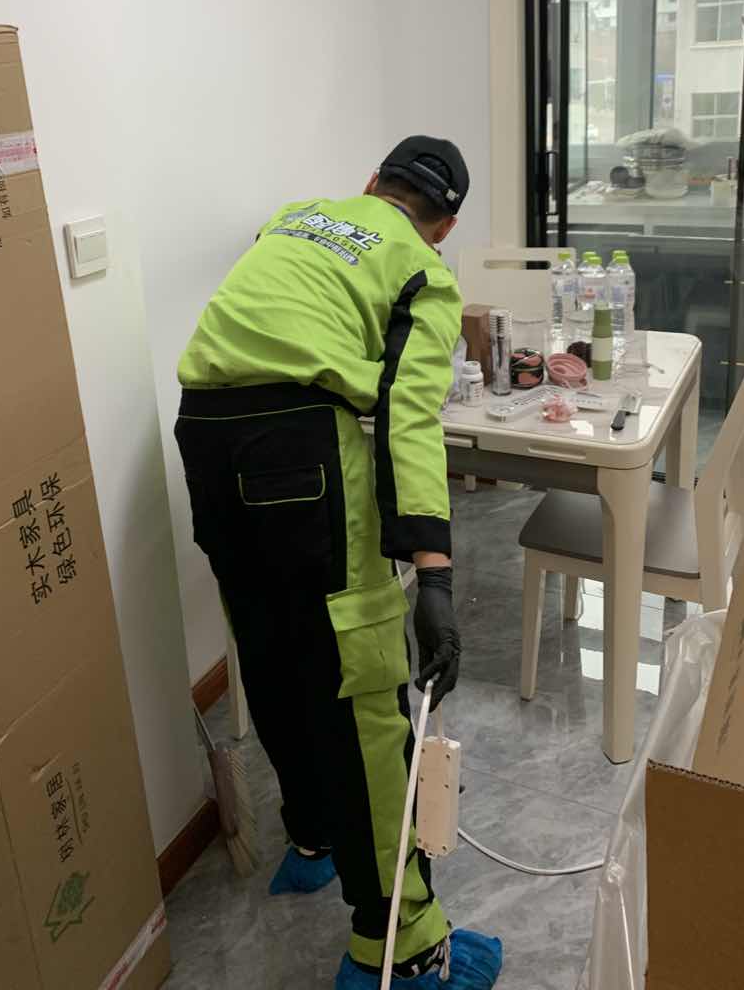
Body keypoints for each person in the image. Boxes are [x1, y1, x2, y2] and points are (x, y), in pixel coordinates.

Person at [175, 136, 502, 988]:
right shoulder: (424, 272)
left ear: (370, 183)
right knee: (363, 694)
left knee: (271, 650)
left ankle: (312, 838)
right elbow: (409, 418)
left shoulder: (296, 217)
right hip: (299, 451)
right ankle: (403, 944)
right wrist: (435, 577)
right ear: (444, 227)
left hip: (202, 435)